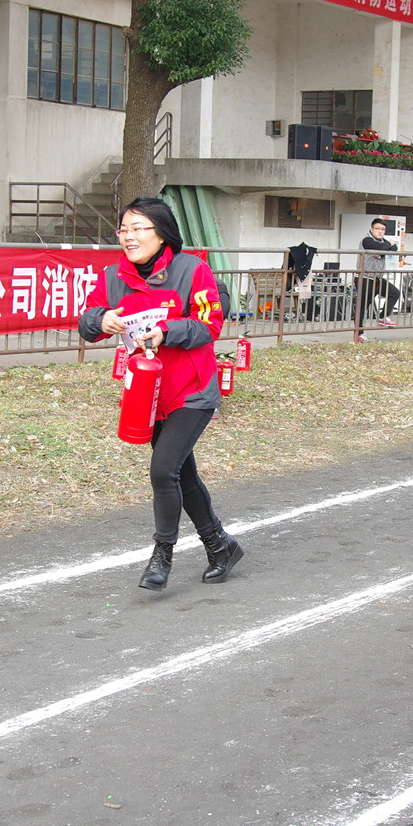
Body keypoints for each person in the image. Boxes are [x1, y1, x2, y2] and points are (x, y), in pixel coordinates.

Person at [78, 197, 244, 591]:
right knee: (181, 474)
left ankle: (162, 555)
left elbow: (210, 325)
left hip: (193, 389)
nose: (129, 237)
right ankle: (220, 545)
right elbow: (87, 321)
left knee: (162, 470)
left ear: (162, 231)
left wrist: (167, 331)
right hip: (149, 393)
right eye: (124, 229)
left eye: (139, 228)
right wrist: (102, 319)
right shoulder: (113, 276)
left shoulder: (192, 270)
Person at [353, 218, 401, 342]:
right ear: (371, 229)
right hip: (364, 278)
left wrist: (384, 247)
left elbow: (394, 248)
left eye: (383, 229)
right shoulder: (366, 240)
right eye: (377, 229)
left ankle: (382, 316)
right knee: (362, 307)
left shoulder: (383, 242)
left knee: (394, 293)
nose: (380, 232)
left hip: (378, 278)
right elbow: (383, 246)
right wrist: (385, 246)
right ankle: (359, 334)